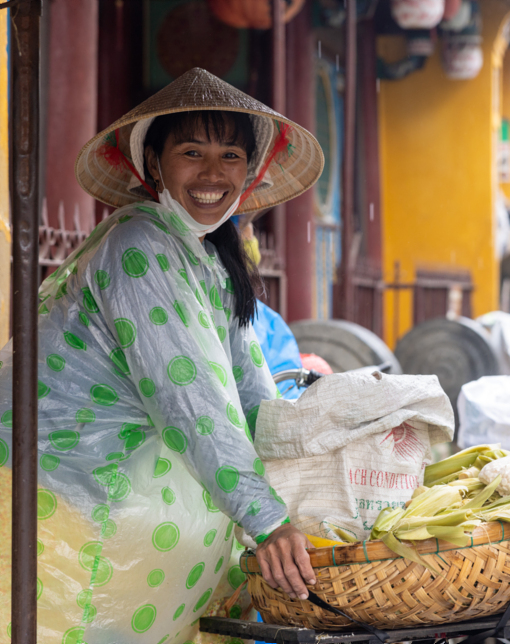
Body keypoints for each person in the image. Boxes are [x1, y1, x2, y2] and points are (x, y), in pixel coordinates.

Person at [0, 68, 324, 643]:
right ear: (154, 162)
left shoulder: (209, 259)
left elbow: (251, 395)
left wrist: (314, 478)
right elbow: (195, 400)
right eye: (191, 151)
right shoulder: (139, 246)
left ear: (248, 172)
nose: (212, 173)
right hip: (59, 505)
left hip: (108, 510)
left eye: (230, 156)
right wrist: (268, 520)